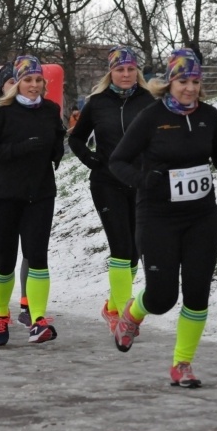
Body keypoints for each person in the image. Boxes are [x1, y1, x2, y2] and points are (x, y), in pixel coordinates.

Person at [108, 48, 217, 388]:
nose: (191, 88)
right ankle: (132, 314)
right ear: (170, 82)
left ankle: (182, 363)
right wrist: (143, 181)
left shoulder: (209, 116)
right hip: (158, 217)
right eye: (184, 81)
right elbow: (118, 161)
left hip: (202, 217)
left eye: (196, 81)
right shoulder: (152, 117)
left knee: (197, 293)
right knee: (162, 297)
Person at [0, 55, 66, 346]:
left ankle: (38, 319)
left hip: (40, 192)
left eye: (38, 80)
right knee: (5, 259)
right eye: (28, 80)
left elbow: (57, 138)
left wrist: (56, 152)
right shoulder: (1, 111)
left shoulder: (51, 110)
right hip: (4, 194)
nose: (34, 85)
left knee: (38, 256)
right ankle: (1, 313)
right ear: (17, 83)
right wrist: (19, 149)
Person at [68, 46, 152, 335]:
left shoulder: (149, 101)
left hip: (139, 182)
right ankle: (124, 315)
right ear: (111, 73)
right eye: (120, 70)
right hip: (107, 183)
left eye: (130, 69)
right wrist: (92, 160)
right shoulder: (97, 103)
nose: (126, 74)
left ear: (136, 71)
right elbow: (77, 139)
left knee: (135, 251)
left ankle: (113, 308)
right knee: (120, 247)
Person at [0, 62, 31, 329]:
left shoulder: (41, 111)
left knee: (32, 251)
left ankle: (27, 303)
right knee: (4, 252)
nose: (18, 86)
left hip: (33, 190)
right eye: (10, 82)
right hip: (0, 190)